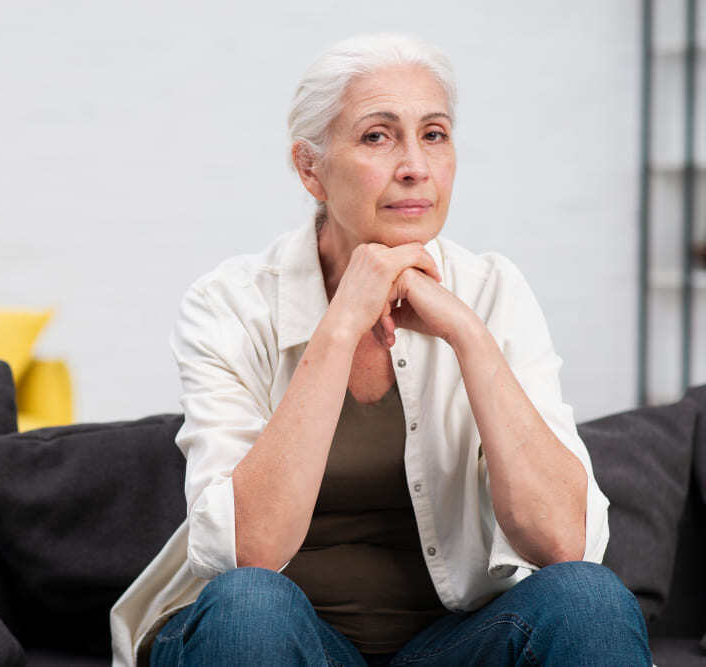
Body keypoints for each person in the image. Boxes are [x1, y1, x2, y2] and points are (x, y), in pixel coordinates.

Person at [109, 33, 651, 667]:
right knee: (249, 604)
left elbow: (566, 542)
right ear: (309, 168)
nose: (415, 165)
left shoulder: (493, 291)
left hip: (449, 647)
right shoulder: (229, 303)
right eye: (377, 136)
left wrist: (469, 338)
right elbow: (244, 552)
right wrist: (339, 329)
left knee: (588, 599)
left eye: (435, 135)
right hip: (279, 640)